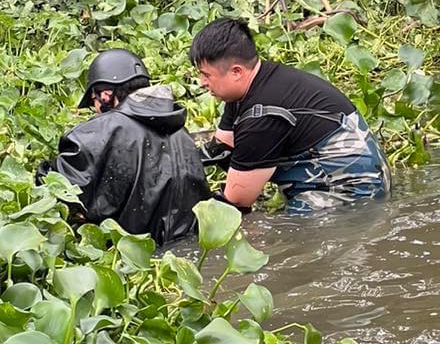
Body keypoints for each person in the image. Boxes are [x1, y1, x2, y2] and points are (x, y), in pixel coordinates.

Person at [190, 18, 390, 213]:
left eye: (206, 75)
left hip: (357, 188)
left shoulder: (262, 114)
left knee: (292, 230)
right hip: (343, 164)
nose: (201, 82)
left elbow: (236, 202)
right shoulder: (250, 86)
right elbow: (223, 146)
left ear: (236, 72)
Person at [42, 49, 210, 245]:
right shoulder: (180, 130)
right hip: (189, 247)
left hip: (134, 259)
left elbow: (58, 188)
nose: (95, 111)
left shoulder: (99, 132)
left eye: (93, 101)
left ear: (105, 95)